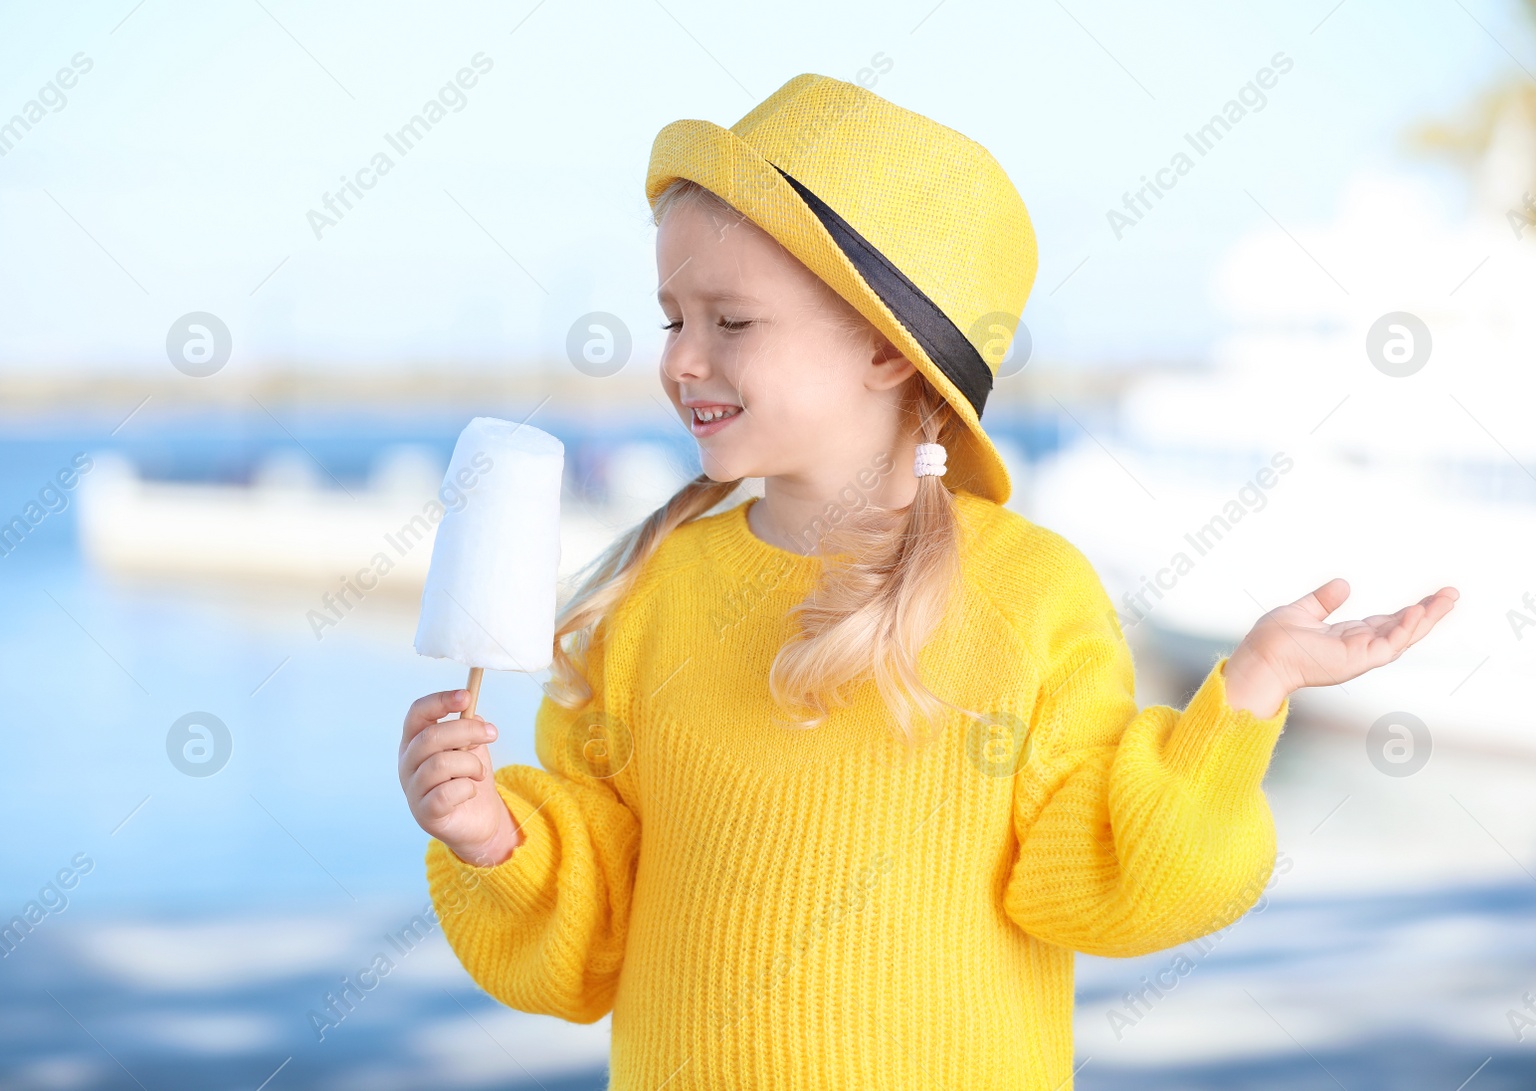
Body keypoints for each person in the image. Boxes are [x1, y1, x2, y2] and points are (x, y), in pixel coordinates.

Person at [397, 72, 1457, 1090]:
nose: (681, 358)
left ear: (887, 351)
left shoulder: (1030, 596)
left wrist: (1251, 691)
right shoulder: (645, 597)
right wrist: (494, 835)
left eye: (732, 320)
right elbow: (592, 937)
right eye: (674, 317)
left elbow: (1113, 874)